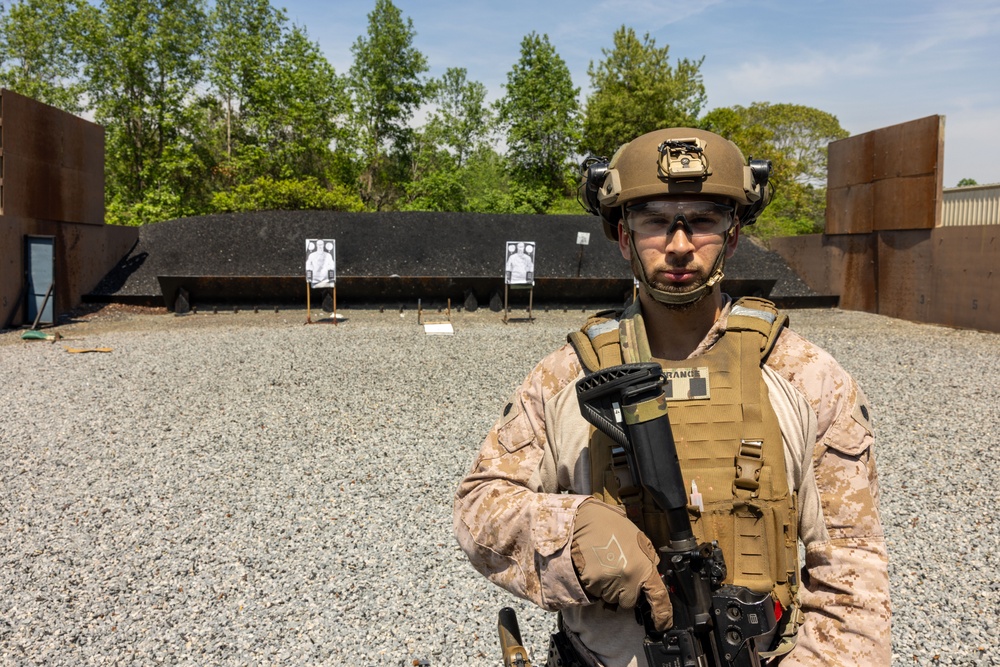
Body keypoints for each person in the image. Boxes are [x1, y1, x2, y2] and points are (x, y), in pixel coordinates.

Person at [454, 127, 890, 666]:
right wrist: (576, 536)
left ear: (731, 237)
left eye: (703, 221)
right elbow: (479, 508)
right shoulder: (565, 378)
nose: (680, 244)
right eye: (656, 221)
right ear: (623, 237)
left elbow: (851, 569)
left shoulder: (808, 379)